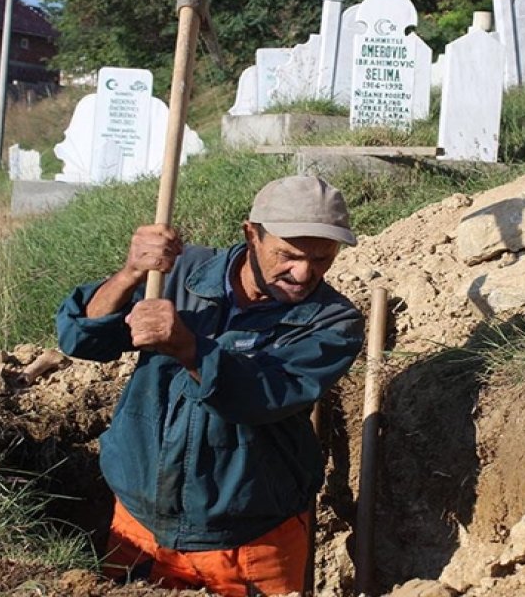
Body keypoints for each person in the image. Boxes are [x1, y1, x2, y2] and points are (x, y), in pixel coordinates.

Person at [56, 176, 365, 596]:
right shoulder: (179, 272)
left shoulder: (333, 322)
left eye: (322, 259)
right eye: (288, 255)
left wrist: (189, 347)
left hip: (255, 543)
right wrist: (131, 272)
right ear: (251, 234)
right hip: (141, 528)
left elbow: (265, 396)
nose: (303, 273)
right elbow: (82, 338)